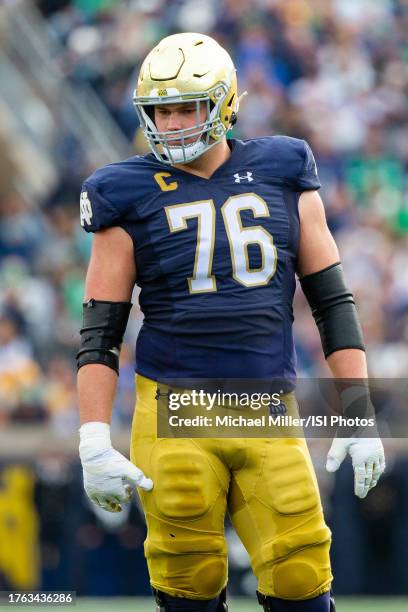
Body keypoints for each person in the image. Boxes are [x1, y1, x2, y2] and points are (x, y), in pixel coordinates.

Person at [77, 33, 385, 612]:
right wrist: (93, 436)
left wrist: (358, 411)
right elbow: (101, 331)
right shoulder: (123, 190)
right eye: (159, 110)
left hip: (266, 408)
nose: (170, 124)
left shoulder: (283, 167)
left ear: (224, 104)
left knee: (300, 574)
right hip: (174, 411)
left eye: (184, 107)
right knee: (189, 580)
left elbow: (332, 303)